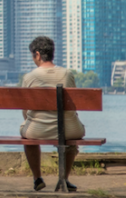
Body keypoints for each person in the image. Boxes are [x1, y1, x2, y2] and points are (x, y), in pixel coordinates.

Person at [20, 36, 86, 192]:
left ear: (37, 54)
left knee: (27, 135)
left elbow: (25, 110)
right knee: (71, 133)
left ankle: (37, 178)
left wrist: (31, 121)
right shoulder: (67, 74)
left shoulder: (29, 77)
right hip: (69, 129)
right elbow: (73, 106)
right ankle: (64, 178)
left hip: (37, 129)